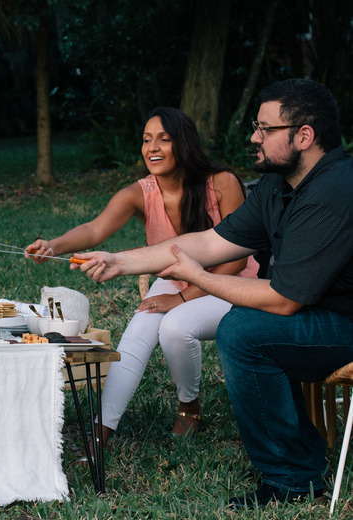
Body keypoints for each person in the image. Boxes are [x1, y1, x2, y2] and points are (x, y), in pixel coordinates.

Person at [75, 79, 353, 508]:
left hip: (345, 323)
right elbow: (209, 243)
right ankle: (299, 457)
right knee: (244, 327)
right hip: (324, 313)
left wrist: (196, 280)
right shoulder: (281, 186)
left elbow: (283, 300)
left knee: (243, 331)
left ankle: (291, 478)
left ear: (304, 135)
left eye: (265, 129)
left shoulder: (332, 191)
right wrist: (122, 261)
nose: (253, 137)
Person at [25, 107, 259, 449]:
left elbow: (237, 260)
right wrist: (53, 245)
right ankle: (98, 435)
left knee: (175, 327)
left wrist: (179, 299)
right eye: (147, 140)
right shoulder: (140, 193)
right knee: (137, 335)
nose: (153, 148)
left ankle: (189, 407)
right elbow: (95, 229)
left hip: (232, 285)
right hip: (177, 279)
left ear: (184, 143)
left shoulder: (221, 183)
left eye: (164, 139)